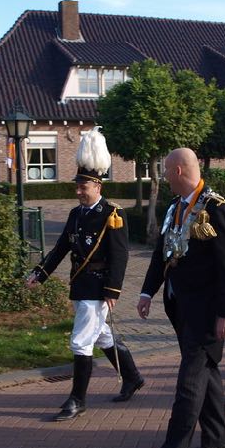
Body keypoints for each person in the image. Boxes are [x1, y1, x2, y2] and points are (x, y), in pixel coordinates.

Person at [134, 148, 225, 448]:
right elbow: (162, 252)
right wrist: (146, 291)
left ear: (179, 170)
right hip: (181, 307)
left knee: (189, 383)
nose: (163, 176)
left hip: (207, 313)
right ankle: (217, 438)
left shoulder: (215, 209)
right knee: (207, 373)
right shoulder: (175, 208)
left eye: (166, 170)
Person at [26, 128, 142, 420]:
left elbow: (120, 254)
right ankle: (132, 377)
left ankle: (77, 400)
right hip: (80, 284)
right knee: (102, 337)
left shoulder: (113, 214)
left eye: (84, 187)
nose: (78, 191)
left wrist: (113, 291)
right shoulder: (76, 214)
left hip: (99, 287)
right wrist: (40, 273)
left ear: (97, 186)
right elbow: (61, 247)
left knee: (81, 341)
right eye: (77, 186)